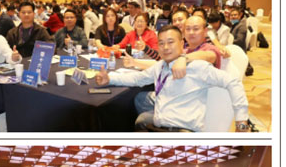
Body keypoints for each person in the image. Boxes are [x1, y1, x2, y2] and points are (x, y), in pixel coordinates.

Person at [95, 25, 250, 132]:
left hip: (182, 131)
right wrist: (109, 79)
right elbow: (138, 78)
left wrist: (241, 122)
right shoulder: (161, 66)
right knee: (139, 115)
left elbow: (232, 82)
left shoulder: (196, 67)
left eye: (170, 42)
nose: (166, 47)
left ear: (182, 44)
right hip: (161, 124)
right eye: (161, 43)